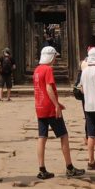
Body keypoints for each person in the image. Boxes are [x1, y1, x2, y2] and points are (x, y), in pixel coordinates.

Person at [33, 46, 85, 179]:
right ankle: (69, 167)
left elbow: (41, 89)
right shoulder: (48, 69)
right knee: (64, 135)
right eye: (55, 57)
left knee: (42, 137)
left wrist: (57, 102)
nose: (55, 59)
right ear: (51, 57)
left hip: (39, 106)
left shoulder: (37, 70)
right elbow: (49, 88)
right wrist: (56, 104)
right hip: (50, 107)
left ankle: (42, 169)